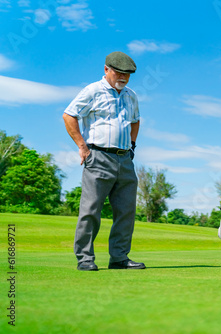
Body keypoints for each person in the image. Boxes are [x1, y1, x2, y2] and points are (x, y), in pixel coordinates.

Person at [63, 51, 145, 271]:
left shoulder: (131, 95)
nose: (124, 78)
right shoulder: (92, 91)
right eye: (119, 72)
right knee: (91, 210)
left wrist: (132, 146)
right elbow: (69, 115)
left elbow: (136, 121)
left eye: (128, 74)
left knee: (126, 211)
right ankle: (85, 259)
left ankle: (119, 258)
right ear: (106, 69)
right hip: (98, 156)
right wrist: (82, 146)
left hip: (125, 159)